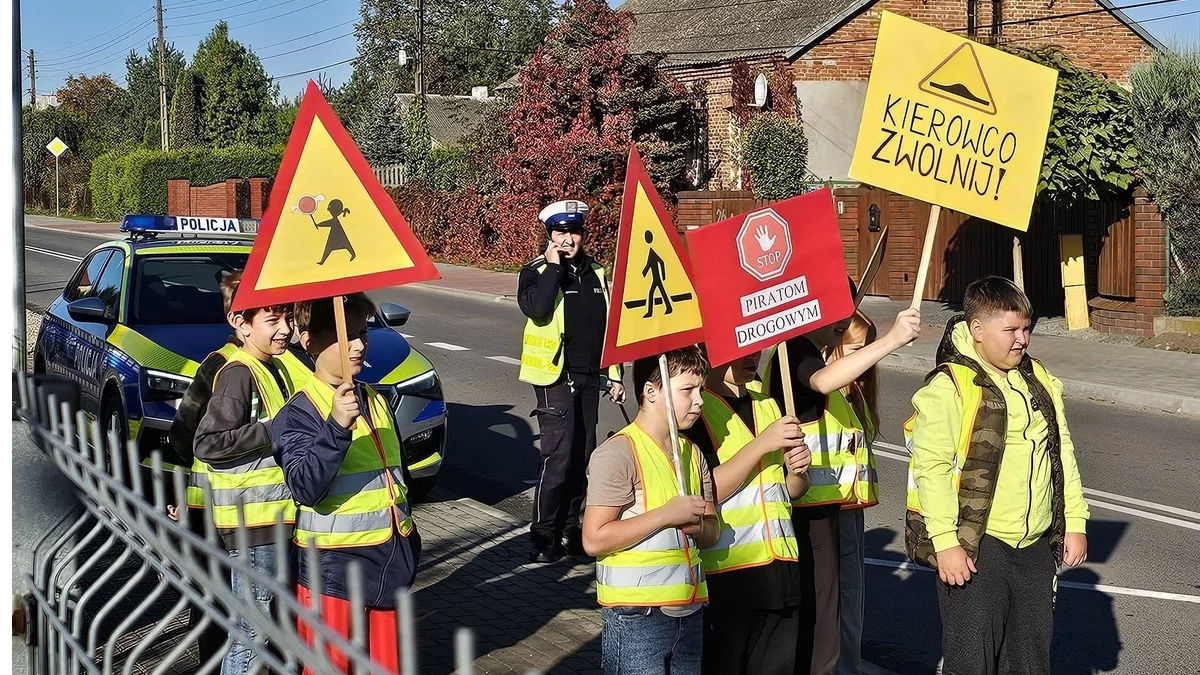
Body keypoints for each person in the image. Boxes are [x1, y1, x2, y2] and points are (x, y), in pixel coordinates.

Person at [905, 276, 1089, 675]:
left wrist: (1075, 521)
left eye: (1026, 328)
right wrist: (945, 543)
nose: (1022, 339)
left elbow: (1063, 454)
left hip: (1036, 544)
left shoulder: (1038, 378)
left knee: (1030, 661)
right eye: (1011, 330)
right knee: (972, 660)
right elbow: (930, 470)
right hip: (976, 543)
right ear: (977, 330)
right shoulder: (949, 385)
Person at [762, 280, 920, 675]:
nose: (843, 318)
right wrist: (891, 340)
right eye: (835, 307)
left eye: (848, 308)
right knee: (823, 617)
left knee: (831, 613)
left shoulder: (808, 351)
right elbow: (823, 381)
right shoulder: (795, 351)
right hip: (809, 510)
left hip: (828, 508)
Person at [274, 294, 420, 675]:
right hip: (334, 574)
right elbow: (306, 485)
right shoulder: (300, 411)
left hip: (387, 567)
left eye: (362, 333)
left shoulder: (373, 398)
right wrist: (336, 427)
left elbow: (394, 479)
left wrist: (409, 541)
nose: (359, 345)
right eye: (345, 336)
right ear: (308, 342)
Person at [193, 274, 306, 675]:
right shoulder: (240, 372)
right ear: (242, 324)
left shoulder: (272, 366)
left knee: (264, 625)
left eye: (288, 319)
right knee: (252, 630)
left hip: (272, 518)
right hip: (251, 521)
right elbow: (208, 443)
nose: (285, 329)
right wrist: (276, 429)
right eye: (272, 321)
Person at [583, 346, 719, 675]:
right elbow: (594, 539)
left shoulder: (692, 452)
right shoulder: (618, 453)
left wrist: (700, 528)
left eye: (700, 389)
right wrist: (666, 515)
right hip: (637, 616)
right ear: (651, 391)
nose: (699, 401)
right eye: (688, 390)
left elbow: (714, 529)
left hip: (689, 609)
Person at [682, 349, 812, 675]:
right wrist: (760, 445)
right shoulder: (700, 411)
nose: (752, 356)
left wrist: (798, 472)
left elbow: (790, 491)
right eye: (740, 350)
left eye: (755, 348)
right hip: (729, 575)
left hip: (781, 568)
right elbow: (704, 491)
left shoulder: (767, 404)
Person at [518, 199, 625, 563]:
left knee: (584, 456)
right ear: (549, 235)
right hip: (554, 378)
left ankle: (573, 531)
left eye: (574, 232)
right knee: (559, 458)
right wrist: (552, 269)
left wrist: (614, 374)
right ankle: (542, 534)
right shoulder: (535, 271)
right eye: (560, 232)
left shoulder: (596, 272)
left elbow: (610, 326)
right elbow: (537, 308)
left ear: (583, 235)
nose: (567, 239)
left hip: (589, 377)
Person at [824, 311, 880, 675]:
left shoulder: (855, 392)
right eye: (858, 350)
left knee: (852, 594)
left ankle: (850, 664)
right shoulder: (824, 389)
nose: (867, 360)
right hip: (827, 506)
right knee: (841, 597)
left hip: (851, 507)